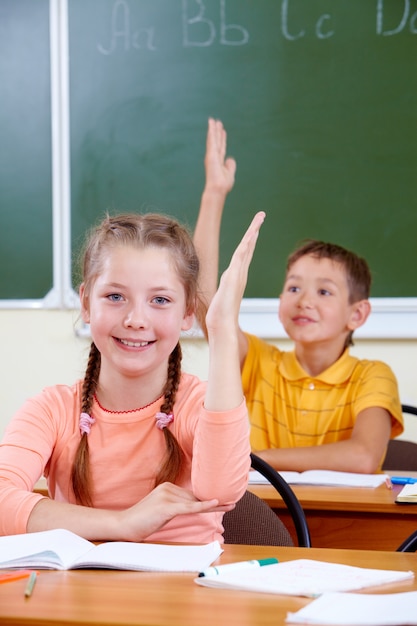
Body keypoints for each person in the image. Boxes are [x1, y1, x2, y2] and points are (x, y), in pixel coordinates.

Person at [0, 209, 265, 541]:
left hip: (184, 590)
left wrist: (223, 329)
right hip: (76, 591)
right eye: (115, 297)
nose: (136, 319)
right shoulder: (51, 410)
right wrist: (122, 524)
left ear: (187, 312)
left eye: (160, 300)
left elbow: (221, 492)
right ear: (85, 303)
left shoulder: (201, 406)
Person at [194, 118, 403, 474]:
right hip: (260, 521)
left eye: (324, 291)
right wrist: (214, 193)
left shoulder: (372, 376)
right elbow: (204, 306)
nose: (304, 301)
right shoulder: (259, 362)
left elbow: (363, 457)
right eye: (293, 288)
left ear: (358, 314)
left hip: (341, 525)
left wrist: (253, 461)